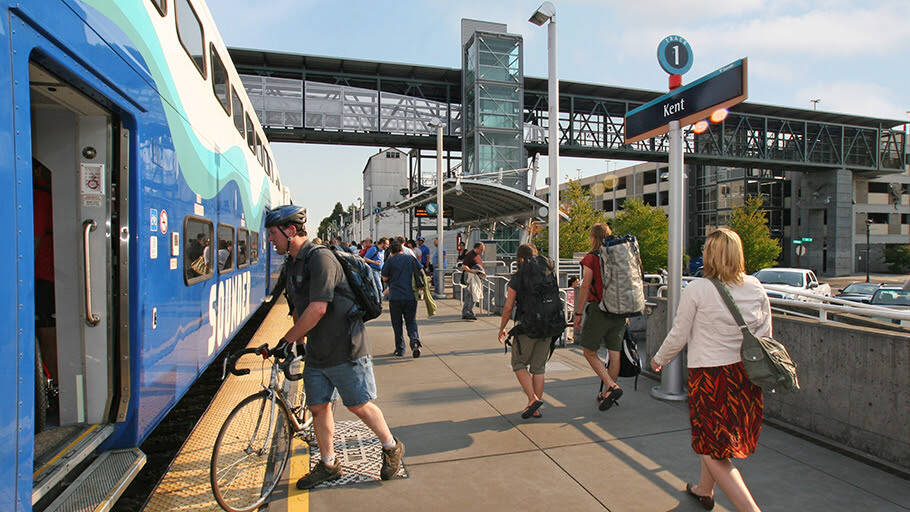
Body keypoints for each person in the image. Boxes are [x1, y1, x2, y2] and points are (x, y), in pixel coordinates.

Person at [265, 205, 405, 489]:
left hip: (346, 346)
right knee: (318, 407)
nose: (270, 240)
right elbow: (299, 308)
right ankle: (329, 464)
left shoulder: (321, 259)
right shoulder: (292, 264)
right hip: (317, 351)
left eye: (272, 234)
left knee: (359, 405)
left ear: (290, 231)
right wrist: (300, 344)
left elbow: (317, 308)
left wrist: (287, 341)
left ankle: (391, 446)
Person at [651, 228, 769, 512]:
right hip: (744, 378)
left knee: (713, 449)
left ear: (710, 256)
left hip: (711, 379)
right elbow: (765, 336)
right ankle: (705, 489)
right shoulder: (756, 286)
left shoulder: (698, 289)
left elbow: (679, 334)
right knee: (714, 442)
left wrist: (659, 359)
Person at [574, 224, 625, 411]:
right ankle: (606, 394)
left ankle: (611, 386)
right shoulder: (619, 256)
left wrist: (578, 313)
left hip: (599, 309)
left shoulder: (591, 258)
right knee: (614, 354)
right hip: (620, 309)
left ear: (593, 238)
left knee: (589, 351)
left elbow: (586, 286)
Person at [498, 243, 552, 420]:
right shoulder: (547, 274)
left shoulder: (518, 278)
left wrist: (502, 328)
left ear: (520, 259)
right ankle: (535, 409)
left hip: (527, 326)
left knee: (519, 364)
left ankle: (532, 400)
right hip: (547, 326)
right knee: (539, 368)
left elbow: (508, 307)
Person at [33, 159, 56, 385]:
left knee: (46, 331)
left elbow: (34, 241)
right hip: (48, 277)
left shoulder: (39, 197)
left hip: (42, 278)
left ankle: (53, 385)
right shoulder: (46, 196)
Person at [381, 240, 423, 358]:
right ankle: (414, 341)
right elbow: (420, 271)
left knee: (397, 323)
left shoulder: (390, 261)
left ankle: (400, 349)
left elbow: (384, 277)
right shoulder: (410, 259)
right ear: (401, 249)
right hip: (410, 295)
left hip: (395, 296)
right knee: (411, 321)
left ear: (391, 251)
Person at [460, 242, 485, 320]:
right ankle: (468, 312)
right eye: (481, 250)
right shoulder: (470, 255)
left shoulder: (476, 255)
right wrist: (472, 271)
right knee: (471, 294)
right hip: (470, 276)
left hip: (475, 276)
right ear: (476, 248)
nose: (482, 252)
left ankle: (467, 312)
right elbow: (463, 266)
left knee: (472, 294)